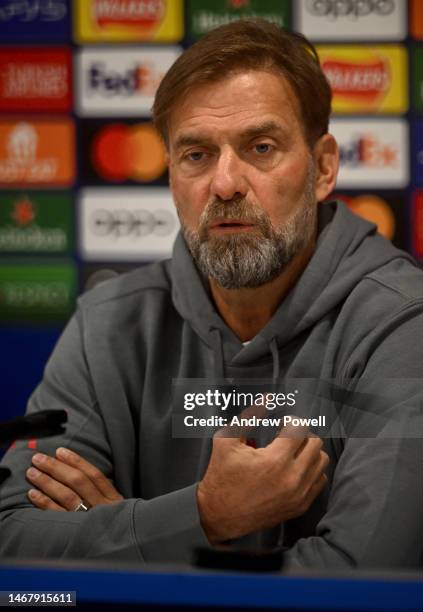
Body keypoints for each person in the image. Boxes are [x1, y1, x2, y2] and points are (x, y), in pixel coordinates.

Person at [1, 19, 423, 569]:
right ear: (172, 172)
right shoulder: (107, 324)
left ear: (322, 168)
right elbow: (12, 545)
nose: (225, 184)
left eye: (261, 147)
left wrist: (132, 542)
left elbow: (361, 581)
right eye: (197, 154)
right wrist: (206, 514)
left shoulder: (402, 326)